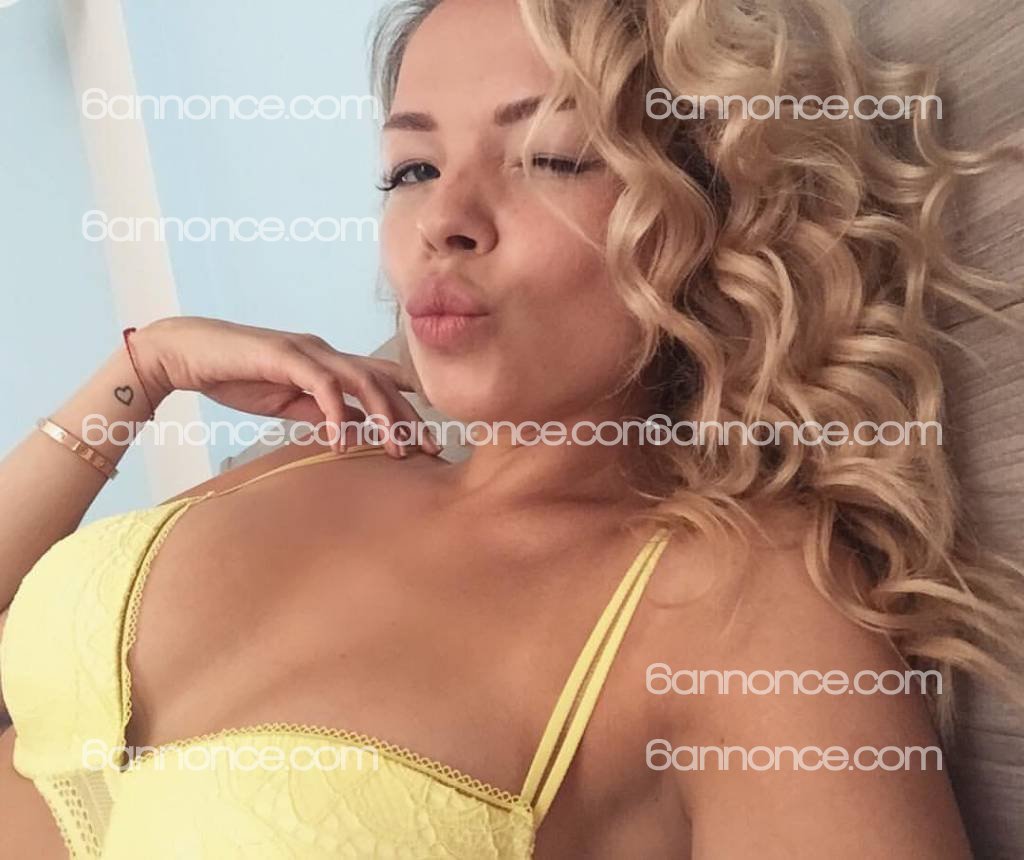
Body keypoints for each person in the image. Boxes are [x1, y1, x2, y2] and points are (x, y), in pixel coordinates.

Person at [2, 0, 1022, 856]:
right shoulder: (322, 447)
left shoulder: (742, 607)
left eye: (550, 157)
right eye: (411, 169)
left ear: (711, 214)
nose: (443, 219)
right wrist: (141, 372)